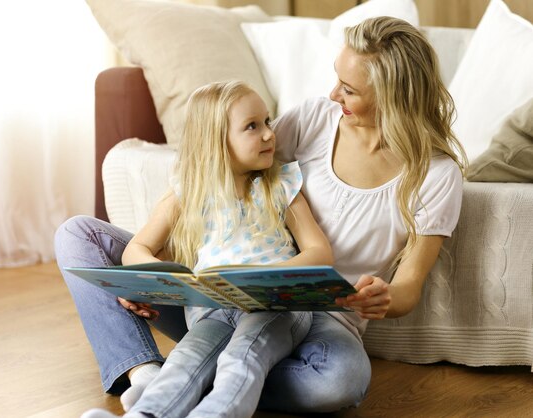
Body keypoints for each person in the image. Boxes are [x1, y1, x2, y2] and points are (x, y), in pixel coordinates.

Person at [55, 16, 467, 415]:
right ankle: (145, 372)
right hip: (214, 297)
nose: (332, 95)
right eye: (336, 79)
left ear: (393, 96)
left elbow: (409, 286)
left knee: (339, 382)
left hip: (319, 317)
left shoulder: (435, 175)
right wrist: (145, 277)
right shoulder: (314, 120)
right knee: (78, 236)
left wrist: (383, 297)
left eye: (348, 89)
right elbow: (227, 163)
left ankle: (186, 383)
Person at [89, 80, 333, 418]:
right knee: (184, 364)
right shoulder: (188, 193)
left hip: (275, 305)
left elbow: (320, 252)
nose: (268, 134)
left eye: (267, 121)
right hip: (212, 308)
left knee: (241, 359)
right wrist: (165, 277)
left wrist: (262, 277)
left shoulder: (280, 184)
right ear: (215, 141)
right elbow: (137, 248)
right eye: (252, 126)